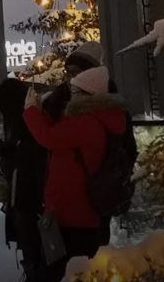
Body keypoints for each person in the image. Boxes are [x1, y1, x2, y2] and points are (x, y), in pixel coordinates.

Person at [23, 66, 128, 282]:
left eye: (76, 91)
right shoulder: (102, 118)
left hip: (70, 210)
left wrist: (31, 111)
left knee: (62, 271)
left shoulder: (86, 122)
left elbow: (49, 138)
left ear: (87, 94)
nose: (71, 96)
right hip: (84, 210)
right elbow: (61, 137)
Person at [0, 78, 47, 282]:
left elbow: (33, 157)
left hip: (30, 195)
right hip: (21, 194)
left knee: (33, 241)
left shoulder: (28, 121)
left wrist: (11, 153)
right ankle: (33, 271)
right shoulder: (17, 121)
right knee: (29, 242)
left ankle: (35, 273)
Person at [42, 41, 104, 121]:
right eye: (67, 71)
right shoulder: (54, 102)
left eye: (75, 71)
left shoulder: (105, 104)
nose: (69, 77)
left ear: (88, 74)